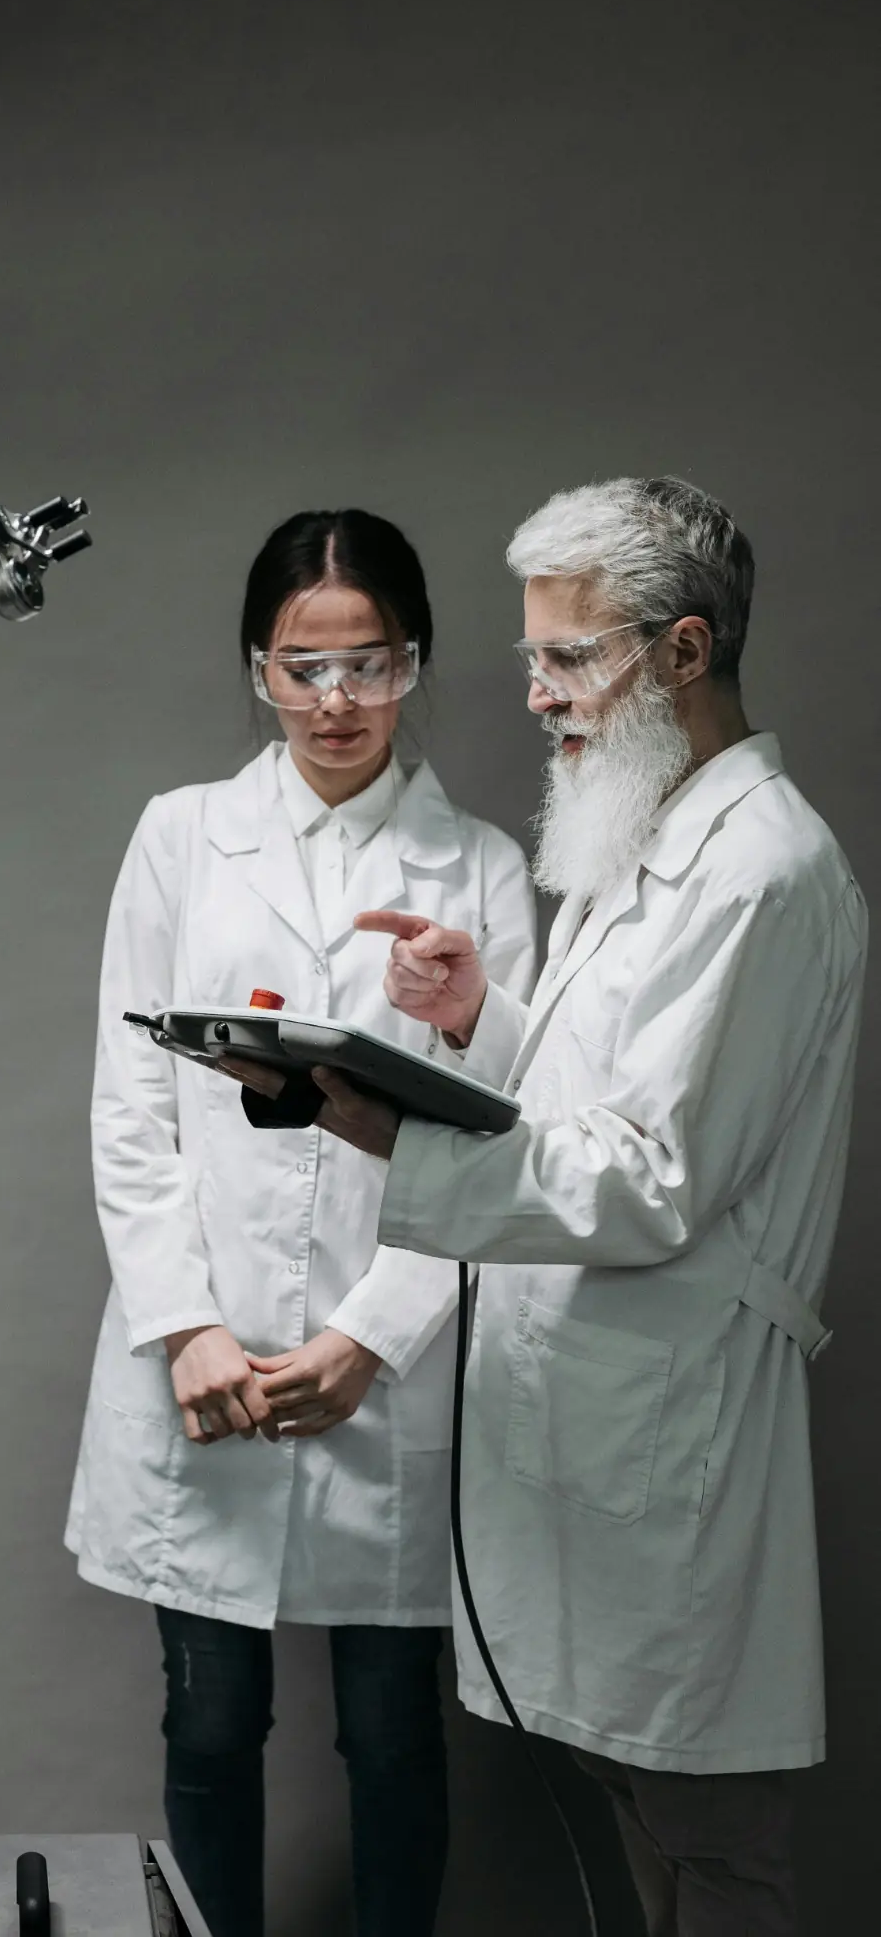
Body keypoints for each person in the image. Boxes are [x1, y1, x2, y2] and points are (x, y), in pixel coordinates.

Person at [228, 477, 866, 1936]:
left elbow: (651, 1178)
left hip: (674, 1411)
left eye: (571, 657)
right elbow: (612, 1097)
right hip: (598, 1399)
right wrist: (481, 1020)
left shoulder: (764, 871)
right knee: (642, 1805)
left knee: (709, 1838)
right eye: (534, 656)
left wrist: (388, 1130)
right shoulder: (652, 834)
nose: (535, 694)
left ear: (685, 651)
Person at [65, 508, 537, 1937]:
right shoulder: (182, 838)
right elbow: (132, 1106)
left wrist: (371, 1336)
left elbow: (506, 1130)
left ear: (416, 663)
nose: (336, 701)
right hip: (205, 1358)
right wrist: (187, 1327)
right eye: (302, 668)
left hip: (386, 1363)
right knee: (209, 1725)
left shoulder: (479, 868)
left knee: (393, 1733)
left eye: (370, 665)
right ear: (256, 671)